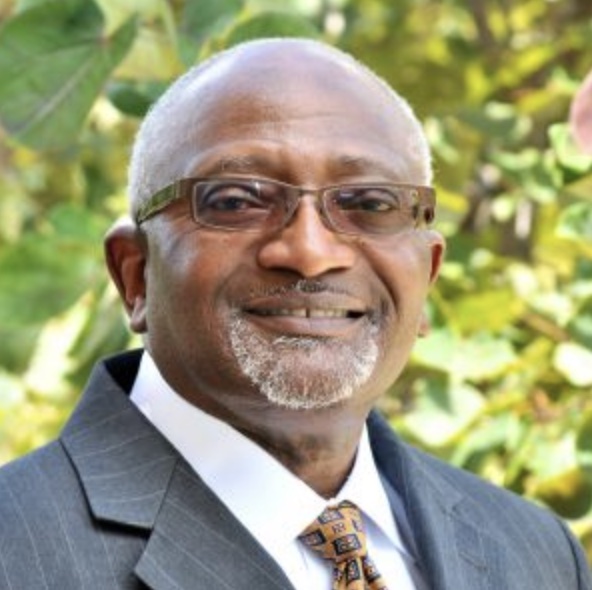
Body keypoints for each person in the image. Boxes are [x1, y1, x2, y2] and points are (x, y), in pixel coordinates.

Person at [0, 38, 589, 590]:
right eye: (235, 200)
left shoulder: (539, 554)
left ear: (427, 279)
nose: (310, 251)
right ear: (135, 275)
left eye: (369, 202)